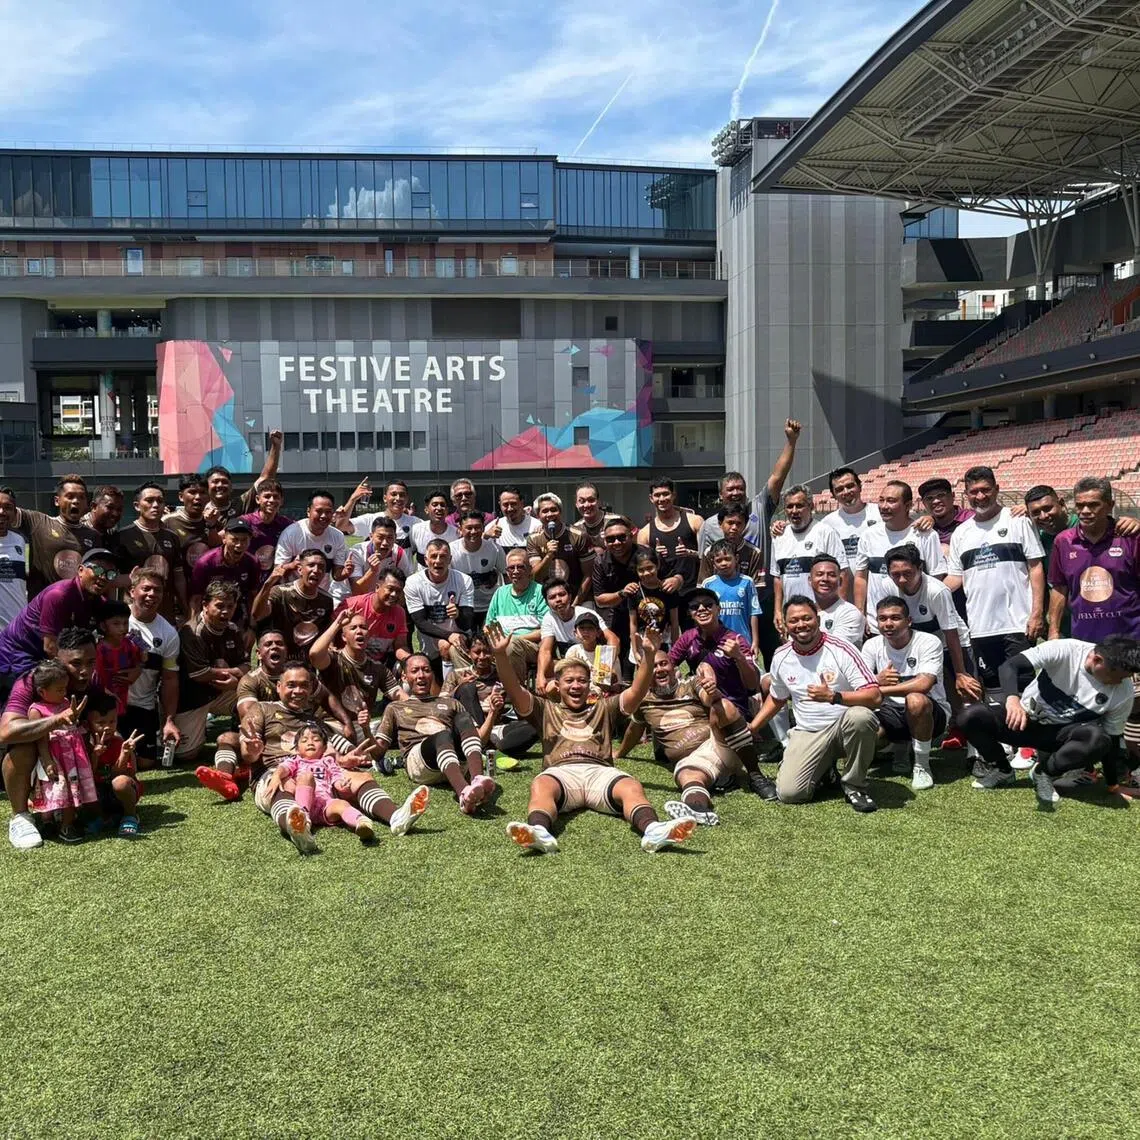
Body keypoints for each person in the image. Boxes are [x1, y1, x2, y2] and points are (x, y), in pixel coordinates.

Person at [491, 622, 696, 855]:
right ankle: (540, 832)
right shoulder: (545, 709)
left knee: (630, 786)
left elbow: (636, 693)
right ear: (557, 686)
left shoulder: (604, 708)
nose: (576, 685)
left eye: (581, 680)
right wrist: (500, 654)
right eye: (569, 681)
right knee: (541, 784)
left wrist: (648, 655)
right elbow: (514, 689)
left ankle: (653, 830)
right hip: (561, 773)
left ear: (589, 685)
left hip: (600, 772)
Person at [237, 664, 423, 838]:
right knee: (286, 784)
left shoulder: (315, 721)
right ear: (279, 687)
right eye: (291, 685)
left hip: (320, 773)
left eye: (304, 686)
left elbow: (336, 746)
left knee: (361, 778)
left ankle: (396, 817)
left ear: (310, 689)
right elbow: (248, 752)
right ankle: (297, 828)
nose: (298, 691)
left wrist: (346, 758)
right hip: (277, 771)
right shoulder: (261, 709)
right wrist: (252, 750)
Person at [958, 635, 1140, 806]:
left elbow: (1112, 740)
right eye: (1116, 676)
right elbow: (1009, 666)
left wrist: (1112, 785)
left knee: (1098, 737)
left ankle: (1044, 773)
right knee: (970, 716)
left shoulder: (1124, 692)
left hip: (1061, 739)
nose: (1119, 682)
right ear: (1097, 659)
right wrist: (1012, 699)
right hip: (1024, 722)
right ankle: (1002, 769)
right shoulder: (1066, 649)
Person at [750, 596, 882, 812]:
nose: (801, 625)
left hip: (843, 728)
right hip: (808, 731)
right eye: (794, 620)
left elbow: (874, 696)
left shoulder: (841, 648)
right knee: (790, 794)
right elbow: (777, 697)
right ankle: (825, 771)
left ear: (817, 620)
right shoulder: (781, 656)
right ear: (785, 625)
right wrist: (753, 728)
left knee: (861, 717)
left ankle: (854, 785)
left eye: (806, 618)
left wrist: (834, 697)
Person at [618, 648, 777, 825]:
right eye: (653, 666)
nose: (660, 669)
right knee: (686, 775)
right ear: (645, 672)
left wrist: (712, 691)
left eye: (664, 663)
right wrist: (620, 753)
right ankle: (698, 809)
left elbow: (709, 698)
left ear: (672, 666)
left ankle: (756, 776)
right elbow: (635, 730)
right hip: (694, 762)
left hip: (718, 745)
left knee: (723, 706)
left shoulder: (691, 684)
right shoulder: (643, 702)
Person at [943, 466, 1045, 704]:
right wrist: (928, 592)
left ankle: (1028, 741)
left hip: (1017, 623)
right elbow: (956, 577)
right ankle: (1006, 741)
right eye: (974, 492)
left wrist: (1037, 613)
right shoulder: (961, 533)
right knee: (993, 687)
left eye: (985, 490)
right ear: (966, 494)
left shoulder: (1018, 521)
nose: (980, 496)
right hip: (980, 626)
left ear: (997, 489)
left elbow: (1036, 568)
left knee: (1023, 686)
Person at [1, 627, 101, 849]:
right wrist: (56, 721)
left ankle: (70, 807)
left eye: (91, 662)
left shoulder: (91, 682)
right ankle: (21, 816)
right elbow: (6, 732)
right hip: (23, 758)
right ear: (56, 658)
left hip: (66, 754)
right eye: (76, 664)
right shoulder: (32, 681)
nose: (85, 671)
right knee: (24, 746)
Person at [262, 723, 424, 851]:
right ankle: (302, 823)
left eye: (316, 740)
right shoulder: (296, 760)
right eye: (304, 741)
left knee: (341, 805)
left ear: (325, 747)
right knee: (306, 777)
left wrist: (344, 786)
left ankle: (361, 823)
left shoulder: (328, 762)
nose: (310, 742)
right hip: (304, 804)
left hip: (325, 804)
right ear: (297, 748)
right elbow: (284, 768)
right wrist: (277, 775)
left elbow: (337, 780)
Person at [370, 654, 494, 814]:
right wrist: (366, 730)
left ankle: (477, 780)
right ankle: (464, 793)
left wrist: (492, 713)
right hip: (420, 764)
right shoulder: (395, 707)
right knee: (442, 735)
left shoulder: (451, 703)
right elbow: (379, 752)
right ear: (404, 676)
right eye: (415, 671)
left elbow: (479, 739)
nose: (421, 675)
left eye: (426, 670)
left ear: (432, 675)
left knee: (463, 718)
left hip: (454, 761)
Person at [885, 543, 980, 749]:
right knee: (937, 692)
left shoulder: (937, 591)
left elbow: (951, 632)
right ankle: (923, 737)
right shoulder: (888, 587)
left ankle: (977, 749)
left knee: (966, 693)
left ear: (920, 568)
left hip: (952, 643)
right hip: (920, 646)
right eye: (896, 574)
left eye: (907, 573)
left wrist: (961, 672)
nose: (902, 579)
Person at [0, 548, 118, 698]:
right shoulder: (58, 595)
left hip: (45, 659)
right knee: (22, 709)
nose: (103, 577)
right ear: (80, 570)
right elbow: (50, 647)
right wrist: (84, 678)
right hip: (17, 657)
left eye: (110, 574)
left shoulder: (97, 600)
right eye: (98, 569)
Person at [861, 596, 949, 790]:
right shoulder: (871, 646)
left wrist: (878, 688)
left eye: (895, 618)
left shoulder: (928, 641)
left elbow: (924, 684)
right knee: (864, 733)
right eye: (882, 619)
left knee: (916, 699)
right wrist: (876, 680)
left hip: (931, 715)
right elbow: (860, 687)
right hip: (889, 713)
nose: (888, 624)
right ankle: (899, 746)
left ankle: (922, 765)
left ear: (909, 621)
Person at [1047, 476, 1140, 642]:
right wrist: (1053, 632)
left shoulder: (1130, 538)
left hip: (1129, 640)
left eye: (1093, 505)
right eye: (1080, 505)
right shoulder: (1063, 542)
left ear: (1110, 506)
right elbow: (1059, 588)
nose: (1085, 511)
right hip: (1083, 641)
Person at [852, 480, 946, 635]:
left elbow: (937, 577)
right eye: (881, 500)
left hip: (917, 624)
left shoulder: (926, 535)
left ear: (908, 505)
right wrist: (860, 614)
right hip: (879, 625)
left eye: (891, 501)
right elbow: (861, 577)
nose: (884, 506)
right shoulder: (868, 535)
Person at [173, 580, 248, 767]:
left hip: (221, 692)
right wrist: (233, 675)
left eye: (230, 607)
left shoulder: (233, 629)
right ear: (205, 605)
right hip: (192, 698)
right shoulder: (191, 632)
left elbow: (247, 664)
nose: (225, 612)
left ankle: (241, 736)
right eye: (220, 606)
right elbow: (200, 674)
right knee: (186, 755)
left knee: (252, 692)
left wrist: (235, 681)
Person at [700, 420, 802, 554]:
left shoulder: (759, 507)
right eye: (730, 489)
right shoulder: (709, 526)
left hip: (760, 575)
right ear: (720, 494)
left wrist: (791, 441)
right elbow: (705, 563)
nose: (736, 493)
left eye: (740, 488)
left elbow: (778, 477)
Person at [26, 659, 98, 843]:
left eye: (65, 688)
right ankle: (47, 821)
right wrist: (47, 760)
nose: (64, 692)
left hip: (73, 756)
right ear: (42, 691)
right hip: (56, 757)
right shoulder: (36, 710)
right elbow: (40, 737)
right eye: (59, 689)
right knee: (55, 789)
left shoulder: (65, 702)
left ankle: (67, 825)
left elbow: (71, 724)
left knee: (72, 790)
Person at [309, 610, 405, 744]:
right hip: (332, 725)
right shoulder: (333, 660)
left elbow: (400, 696)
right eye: (353, 628)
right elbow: (314, 654)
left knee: (395, 727)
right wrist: (337, 624)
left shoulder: (378, 668)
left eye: (363, 628)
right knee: (316, 734)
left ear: (369, 635)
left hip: (362, 727)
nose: (359, 631)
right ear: (343, 637)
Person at [441, 630, 538, 758]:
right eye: (477, 652)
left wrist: (502, 698)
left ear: (492, 653)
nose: (482, 656)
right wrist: (458, 688)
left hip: (497, 727)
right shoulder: (457, 675)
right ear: (469, 653)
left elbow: (520, 696)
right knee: (466, 688)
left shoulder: (501, 674)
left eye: (486, 652)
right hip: (470, 728)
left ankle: (494, 747)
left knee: (535, 726)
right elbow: (441, 704)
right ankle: (484, 742)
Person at [669, 586, 762, 718]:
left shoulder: (735, 640)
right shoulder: (688, 637)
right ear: (690, 613)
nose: (701, 609)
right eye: (695, 607)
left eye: (708, 604)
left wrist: (739, 657)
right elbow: (668, 663)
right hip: (699, 700)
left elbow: (752, 684)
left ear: (718, 609)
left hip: (731, 704)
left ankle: (751, 710)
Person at [122, 569, 181, 767]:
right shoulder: (116, 619)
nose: (152, 595)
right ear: (132, 591)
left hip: (143, 706)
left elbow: (170, 679)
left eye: (157, 590)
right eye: (146, 589)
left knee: (145, 763)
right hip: (113, 703)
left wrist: (169, 720)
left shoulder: (169, 634)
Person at [771, 484, 849, 634]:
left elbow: (843, 574)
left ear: (811, 506)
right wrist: (778, 611)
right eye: (790, 506)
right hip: (793, 616)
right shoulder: (779, 536)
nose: (794, 511)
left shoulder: (825, 532)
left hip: (821, 614)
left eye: (800, 506)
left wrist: (839, 609)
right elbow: (777, 578)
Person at [10, 474, 101, 596]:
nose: (76, 501)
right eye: (70, 496)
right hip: (41, 608)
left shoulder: (93, 536)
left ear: (86, 503)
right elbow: (7, 510)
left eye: (81, 497)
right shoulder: (38, 522)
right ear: (57, 501)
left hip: (77, 607)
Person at [404, 539, 475, 679]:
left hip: (459, 639)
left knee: (446, 647)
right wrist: (448, 635)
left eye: (443, 556)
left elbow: (466, 624)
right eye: (434, 556)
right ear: (425, 559)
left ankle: (452, 693)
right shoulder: (413, 583)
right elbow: (420, 623)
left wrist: (458, 614)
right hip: (430, 640)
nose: (438, 561)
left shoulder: (464, 580)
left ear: (450, 559)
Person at [113, 482, 182, 621]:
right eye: (149, 500)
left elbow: (179, 578)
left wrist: (185, 609)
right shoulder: (121, 536)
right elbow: (111, 579)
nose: (155, 505)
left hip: (165, 615)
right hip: (132, 616)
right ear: (137, 506)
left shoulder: (172, 537)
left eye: (160, 501)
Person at [536, 579, 619, 694]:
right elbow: (545, 649)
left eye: (562, 594)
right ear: (547, 602)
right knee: (550, 687)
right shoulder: (548, 618)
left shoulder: (586, 614)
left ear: (570, 597)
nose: (558, 599)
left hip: (594, 663)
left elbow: (613, 638)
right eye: (552, 597)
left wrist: (606, 666)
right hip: (569, 664)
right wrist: (540, 676)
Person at [251, 549, 334, 661]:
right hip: (277, 662)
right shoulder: (280, 592)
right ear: (300, 569)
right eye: (311, 565)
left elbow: (325, 635)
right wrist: (268, 584)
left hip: (305, 666)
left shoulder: (326, 600)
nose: (316, 570)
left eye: (321, 567)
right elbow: (257, 614)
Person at [83, 691, 145, 838]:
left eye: (112, 722)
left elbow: (124, 775)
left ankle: (130, 815)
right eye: (101, 723)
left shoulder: (119, 743)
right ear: (87, 724)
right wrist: (95, 756)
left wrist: (124, 753)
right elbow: (87, 777)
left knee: (120, 783)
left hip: (118, 790)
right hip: (98, 794)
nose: (108, 727)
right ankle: (104, 818)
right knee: (82, 785)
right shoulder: (83, 745)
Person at [482, 549, 548, 683]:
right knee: (460, 649)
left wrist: (513, 639)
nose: (516, 571)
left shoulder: (540, 591)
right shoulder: (500, 593)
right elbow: (488, 626)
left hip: (530, 645)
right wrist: (499, 641)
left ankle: (516, 691)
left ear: (529, 569)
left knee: (512, 645)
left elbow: (547, 630)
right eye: (511, 568)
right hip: (500, 643)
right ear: (507, 572)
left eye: (520, 567)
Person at [590, 516, 645, 663]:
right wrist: (622, 593)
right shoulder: (600, 561)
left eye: (621, 537)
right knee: (614, 659)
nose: (616, 543)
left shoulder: (646, 555)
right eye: (610, 539)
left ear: (631, 535)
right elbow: (600, 600)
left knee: (649, 661)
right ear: (605, 541)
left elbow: (663, 580)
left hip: (646, 613)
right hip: (615, 614)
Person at [188, 518, 262, 625]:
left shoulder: (252, 563)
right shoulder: (205, 563)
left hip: (238, 614)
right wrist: (193, 626)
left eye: (244, 540)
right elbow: (196, 599)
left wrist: (251, 626)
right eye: (235, 539)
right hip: (210, 615)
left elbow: (252, 595)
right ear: (224, 539)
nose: (239, 545)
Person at [274, 491, 349, 595]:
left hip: (320, 596)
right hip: (292, 595)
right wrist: (292, 565)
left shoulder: (338, 536)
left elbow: (337, 575)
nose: (323, 516)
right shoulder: (291, 533)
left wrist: (345, 572)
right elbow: (277, 571)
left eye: (328, 512)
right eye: (319, 511)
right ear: (308, 511)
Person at [638, 478, 703, 598]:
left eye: (665, 494)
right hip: (664, 596)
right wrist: (654, 557)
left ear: (673, 495)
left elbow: (709, 557)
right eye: (657, 495)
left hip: (694, 592)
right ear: (651, 498)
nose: (662, 499)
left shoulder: (695, 521)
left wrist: (691, 553)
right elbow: (643, 569)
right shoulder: (644, 533)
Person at [335, 567, 410, 668]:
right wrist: (332, 652)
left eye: (398, 591)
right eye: (390, 589)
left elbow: (400, 646)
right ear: (377, 587)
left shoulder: (399, 612)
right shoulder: (353, 604)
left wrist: (410, 660)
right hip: (345, 663)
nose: (394, 595)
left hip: (376, 666)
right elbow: (330, 630)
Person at [528, 493, 594, 602]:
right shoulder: (533, 539)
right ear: (538, 516)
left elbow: (588, 574)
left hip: (578, 598)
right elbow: (536, 576)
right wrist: (549, 555)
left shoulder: (579, 535)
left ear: (560, 512)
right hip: (546, 601)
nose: (550, 514)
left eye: (554, 510)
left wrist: (575, 604)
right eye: (545, 511)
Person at [162, 475, 221, 595]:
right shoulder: (167, 522)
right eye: (192, 492)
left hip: (207, 593)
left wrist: (211, 525)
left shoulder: (214, 522)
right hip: (175, 594)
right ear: (181, 496)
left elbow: (218, 550)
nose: (198, 497)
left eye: (203, 493)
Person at [701, 540, 761, 657]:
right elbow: (702, 614)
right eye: (719, 560)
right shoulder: (708, 584)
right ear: (713, 563)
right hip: (716, 641)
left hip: (742, 640)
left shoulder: (747, 582)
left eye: (727, 559)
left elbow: (754, 613)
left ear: (736, 559)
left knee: (743, 672)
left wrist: (755, 641)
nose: (724, 563)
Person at [449, 511, 505, 624]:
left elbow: (506, 574)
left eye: (477, 527)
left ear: (483, 528)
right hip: (463, 607)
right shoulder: (451, 550)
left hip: (490, 606)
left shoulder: (495, 549)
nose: (473, 532)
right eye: (469, 528)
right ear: (460, 528)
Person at [820, 467, 882, 566]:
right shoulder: (827, 524)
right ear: (833, 495)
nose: (846, 492)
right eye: (839, 489)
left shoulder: (880, 514)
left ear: (860, 487)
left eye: (850, 486)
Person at [629, 550, 682, 663]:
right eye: (641, 570)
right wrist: (635, 651)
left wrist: (675, 649)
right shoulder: (634, 591)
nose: (646, 573)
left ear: (657, 565)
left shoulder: (668, 589)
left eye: (650, 568)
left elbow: (675, 622)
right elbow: (633, 624)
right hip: (643, 641)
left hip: (664, 640)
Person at [93, 600, 144, 716]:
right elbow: (96, 679)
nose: (122, 628)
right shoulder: (99, 650)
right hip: (103, 704)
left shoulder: (130, 645)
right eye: (116, 624)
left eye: (125, 623)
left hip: (124, 703)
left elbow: (140, 662)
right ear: (103, 626)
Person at [342, 478, 417, 552]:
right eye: (393, 494)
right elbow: (342, 526)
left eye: (402, 495)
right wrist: (353, 498)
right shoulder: (370, 519)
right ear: (385, 498)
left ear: (407, 498)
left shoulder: (416, 523)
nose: (398, 498)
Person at [697, 504, 765, 586]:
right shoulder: (709, 552)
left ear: (745, 525)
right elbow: (703, 586)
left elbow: (757, 586)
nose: (734, 527)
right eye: (730, 523)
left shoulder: (755, 553)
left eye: (739, 523)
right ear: (720, 524)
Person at [345, 515, 415, 595]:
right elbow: (356, 590)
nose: (385, 543)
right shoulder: (357, 552)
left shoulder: (399, 553)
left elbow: (407, 585)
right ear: (371, 536)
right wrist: (372, 571)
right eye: (380, 537)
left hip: (382, 599)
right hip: (352, 598)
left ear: (395, 538)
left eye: (389, 537)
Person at [240, 478, 294, 575]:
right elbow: (224, 538)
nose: (272, 500)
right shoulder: (245, 521)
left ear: (281, 501)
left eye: (276, 497)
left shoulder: (287, 524)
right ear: (257, 499)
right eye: (267, 496)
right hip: (246, 577)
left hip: (273, 580)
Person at [809, 555, 864, 646]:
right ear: (810, 580)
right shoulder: (804, 613)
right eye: (819, 574)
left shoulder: (850, 613)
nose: (825, 579)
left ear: (840, 581)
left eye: (831, 575)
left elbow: (834, 649)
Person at [918, 478, 973, 554]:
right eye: (929, 498)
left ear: (952, 496)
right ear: (924, 503)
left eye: (941, 495)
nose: (936, 501)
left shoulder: (971, 519)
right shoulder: (925, 528)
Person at [0, 486, 27, 630]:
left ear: (14, 513)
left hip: (17, 631)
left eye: (7, 507)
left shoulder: (21, 541)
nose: (1, 512)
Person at [485, 485, 541, 552]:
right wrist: (486, 536)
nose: (509, 508)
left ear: (522, 503)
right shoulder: (492, 527)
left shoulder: (536, 525)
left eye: (513, 504)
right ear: (500, 505)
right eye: (505, 504)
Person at [410, 491, 459, 565]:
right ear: (426, 510)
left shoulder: (455, 534)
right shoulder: (416, 530)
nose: (439, 508)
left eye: (442, 505)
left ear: (447, 510)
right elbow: (409, 554)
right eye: (435, 505)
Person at [572, 483, 617, 554]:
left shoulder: (617, 521)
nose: (587, 505)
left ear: (598, 502)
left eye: (591, 500)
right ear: (576, 504)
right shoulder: (575, 530)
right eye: (581, 501)